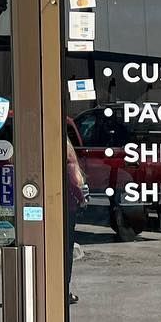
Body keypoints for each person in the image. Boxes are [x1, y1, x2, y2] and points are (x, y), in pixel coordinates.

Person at [65, 129, 90, 306]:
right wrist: (82, 200)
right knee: (66, 253)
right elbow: (74, 184)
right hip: (69, 210)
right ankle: (63, 290)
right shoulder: (69, 163)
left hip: (57, 209)